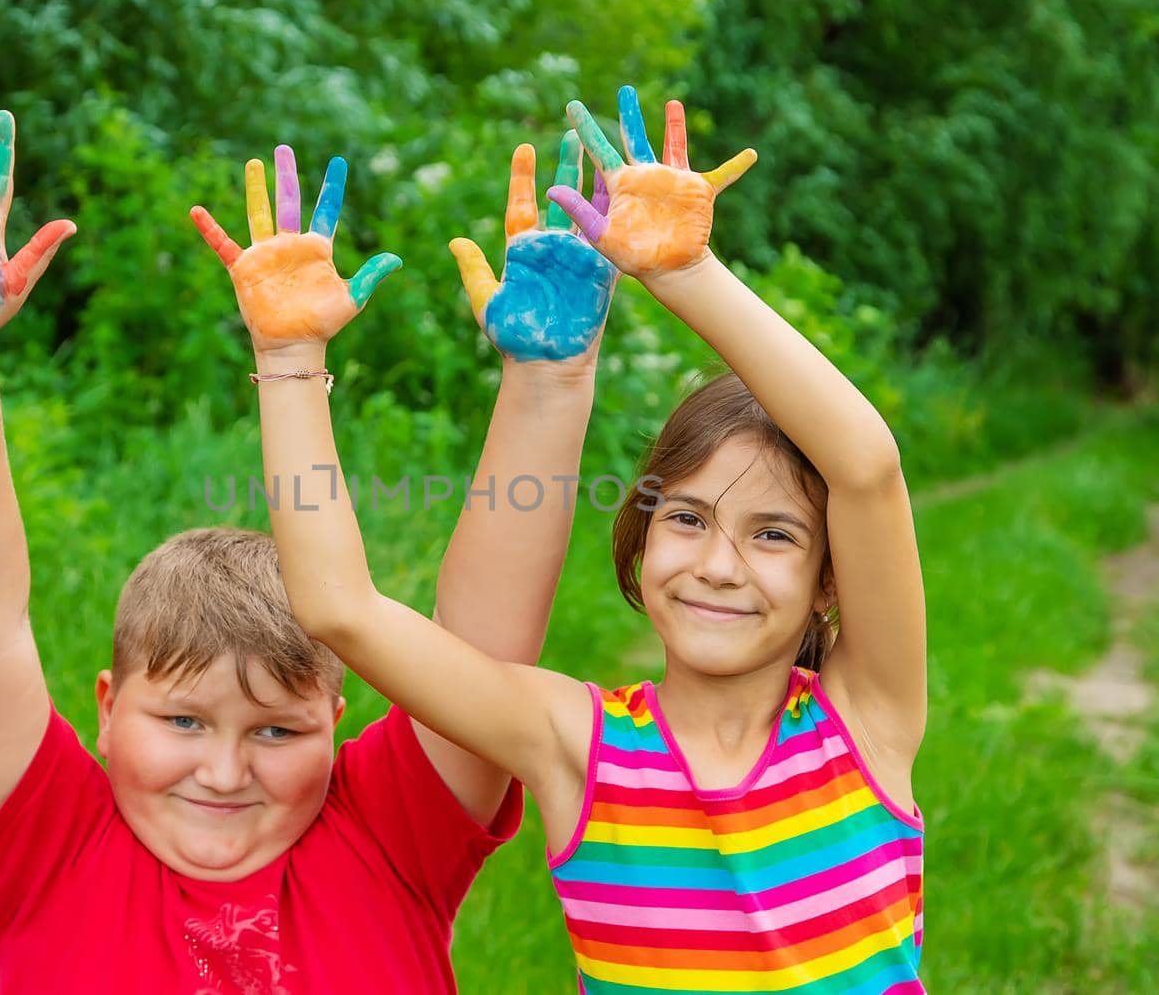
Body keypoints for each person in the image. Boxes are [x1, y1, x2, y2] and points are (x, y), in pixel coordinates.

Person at [0, 92, 614, 993]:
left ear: (336, 725)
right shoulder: (42, 845)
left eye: (277, 730)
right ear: (106, 706)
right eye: (181, 719)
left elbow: (485, 647)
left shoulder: (388, 836)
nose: (223, 771)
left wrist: (549, 382)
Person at [246, 85, 928, 992]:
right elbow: (339, 607)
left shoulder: (865, 723)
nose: (719, 565)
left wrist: (685, 274)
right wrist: (290, 359)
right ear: (643, 541)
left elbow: (867, 469)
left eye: (773, 535)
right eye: (687, 518)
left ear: (828, 580)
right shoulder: (574, 743)